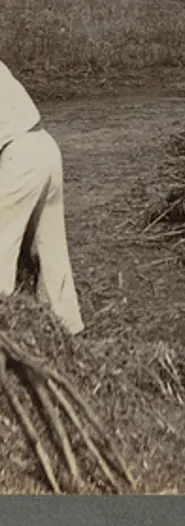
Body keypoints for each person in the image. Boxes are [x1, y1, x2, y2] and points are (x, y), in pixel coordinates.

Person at [0, 61, 84, 336]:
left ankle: (6, 334)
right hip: (44, 146)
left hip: (19, 155)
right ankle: (68, 335)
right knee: (52, 250)